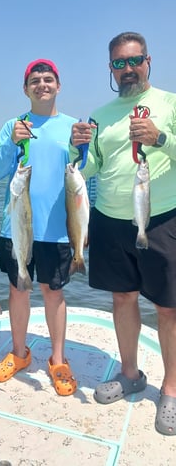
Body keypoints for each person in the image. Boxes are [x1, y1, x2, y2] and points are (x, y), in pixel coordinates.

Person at [70, 32, 176, 435]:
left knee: (168, 307)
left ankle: (172, 388)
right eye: (119, 63)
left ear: (149, 60)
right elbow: (92, 167)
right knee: (122, 298)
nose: (127, 69)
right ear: (110, 68)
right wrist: (77, 150)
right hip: (109, 219)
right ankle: (131, 373)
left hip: (161, 218)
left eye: (134, 60)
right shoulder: (99, 114)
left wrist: (160, 138)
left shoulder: (170, 103)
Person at [0, 59, 78, 396]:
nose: (42, 84)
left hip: (56, 230)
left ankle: (57, 360)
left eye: (48, 79)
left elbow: (84, 174)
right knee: (18, 290)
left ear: (58, 85)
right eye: (35, 80)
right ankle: (20, 352)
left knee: (54, 294)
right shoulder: (14, 124)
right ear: (25, 89)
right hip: (17, 228)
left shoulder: (72, 126)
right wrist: (11, 141)